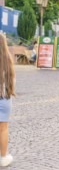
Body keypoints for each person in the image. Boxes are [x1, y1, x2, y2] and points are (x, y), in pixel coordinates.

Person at [0, 33, 15, 167]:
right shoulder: (7, 59)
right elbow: (12, 80)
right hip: (4, 97)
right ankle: (3, 158)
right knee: (3, 129)